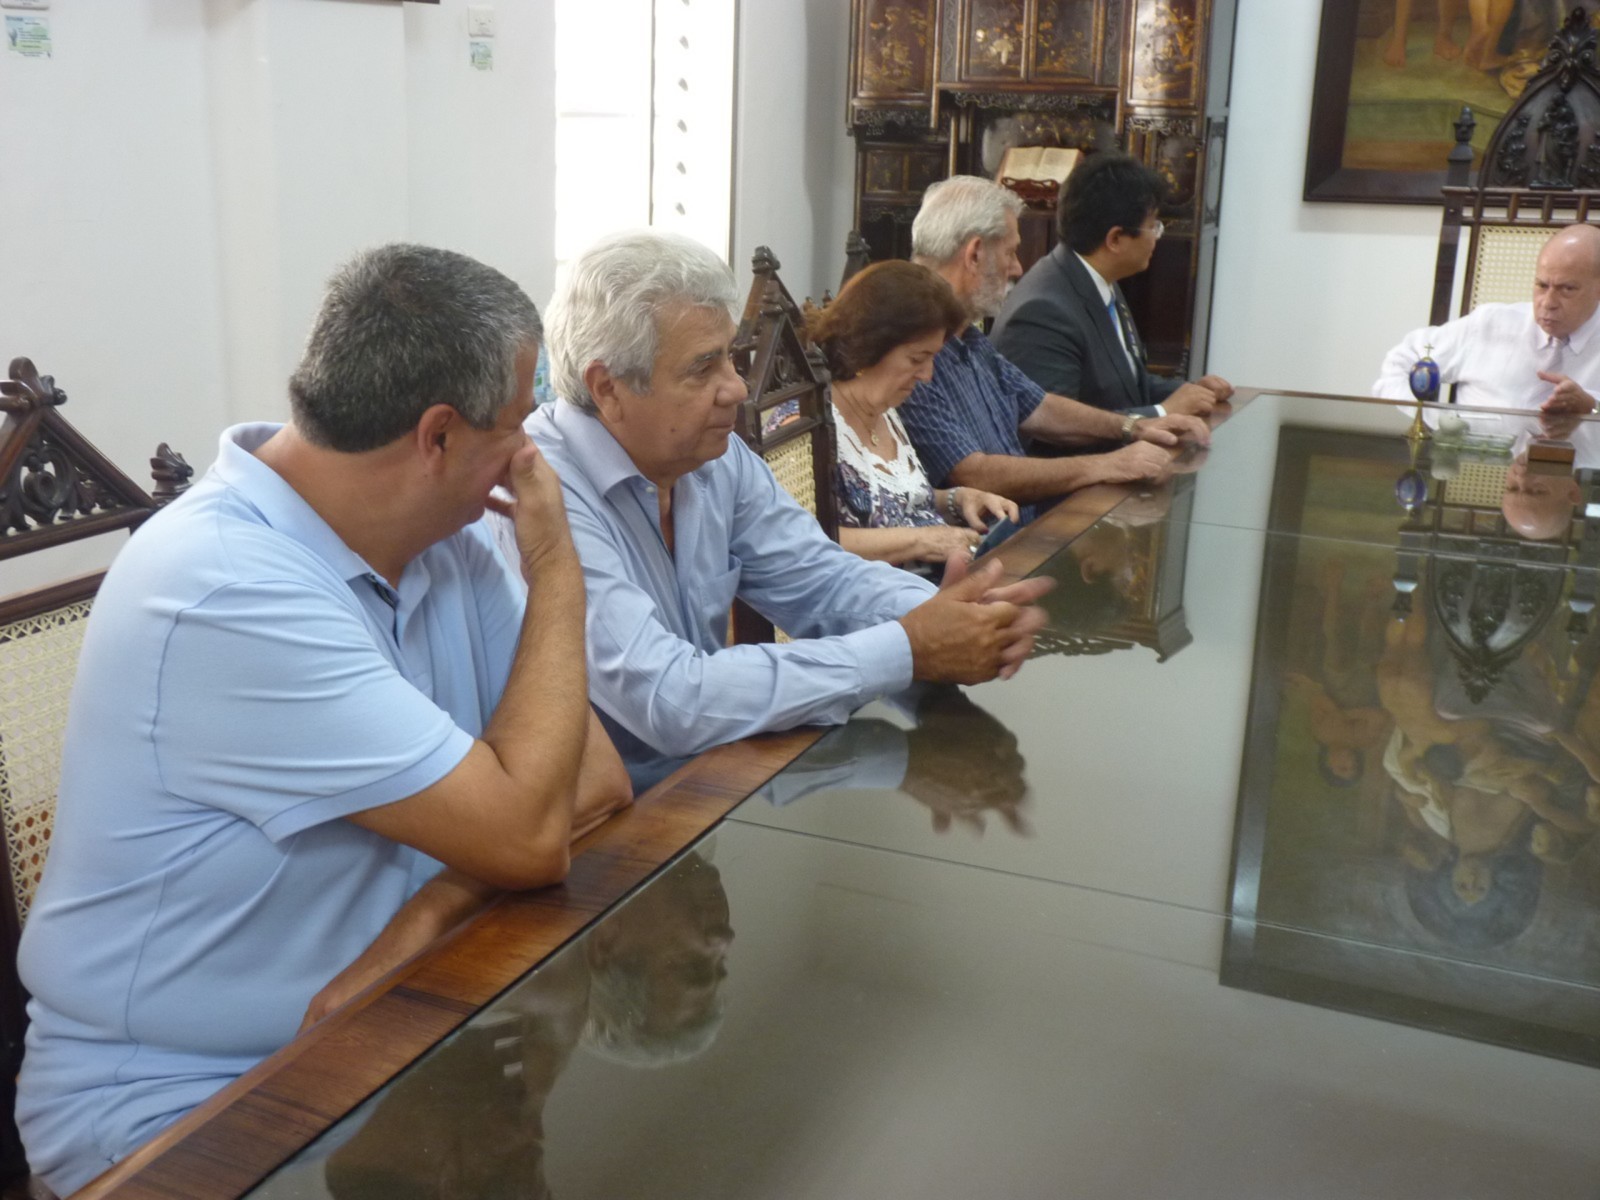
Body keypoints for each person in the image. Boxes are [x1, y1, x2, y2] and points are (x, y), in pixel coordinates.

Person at [16, 244, 632, 1196]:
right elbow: (530, 833)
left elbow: (594, 785)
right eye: (519, 424)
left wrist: (423, 920)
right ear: (437, 436)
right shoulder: (223, 589)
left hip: (387, 1034)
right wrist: (555, 567)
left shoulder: (444, 543)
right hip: (184, 1104)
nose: (529, 456)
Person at [527, 229, 1053, 791]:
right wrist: (909, 646)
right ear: (607, 388)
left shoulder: (713, 458)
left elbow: (820, 578)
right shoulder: (542, 492)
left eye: (729, 357)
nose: (735, 389)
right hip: (610, 820)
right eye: (703, 369)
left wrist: (953, 614)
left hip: (716, 779)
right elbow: (671, 699)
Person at [895, 176, 1211, 517]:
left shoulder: (967, 336)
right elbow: (974, 474)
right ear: (974, 254)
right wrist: (1107, 465)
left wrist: (1133, 427)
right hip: (985, 541)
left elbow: (1039, 406)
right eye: (1010, 252)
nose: (1017, 267)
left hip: (1018, 525)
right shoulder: (910, 350)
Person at [806, 260, 1019, 572]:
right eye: (917, 359)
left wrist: (957, 500)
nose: (927, 375)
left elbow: (894, 505)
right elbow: (804, 543)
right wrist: (923, 541)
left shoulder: (885, 410)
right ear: (871, 347)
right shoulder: (807, 424)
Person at [991, 153, 1232, 418]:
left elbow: (1128, 384)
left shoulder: (1097, 278)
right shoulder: (1042, 312)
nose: (1157, 237)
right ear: (1115, 239)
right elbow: (1054, 428)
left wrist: (1192, 392)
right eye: (1153, 226)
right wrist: (1162, 413)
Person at [1373, 223, 1600, 417]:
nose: (1548, 302)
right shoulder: (1490, 324)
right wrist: (1430, 424)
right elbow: (1403, 360)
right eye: (1541, 285)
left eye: (1567, 289)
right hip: (1472, 453)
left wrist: (1593, 408)